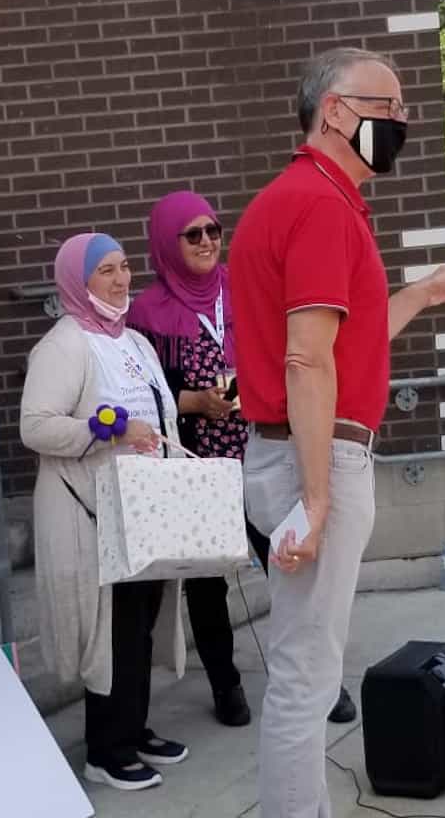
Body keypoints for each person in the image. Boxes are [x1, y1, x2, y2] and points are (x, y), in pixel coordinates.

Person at [229, 47, 445, 818]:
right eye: (389, 103)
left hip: (306, 453)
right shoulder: (319, 205)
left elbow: (349, 332)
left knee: (309, 669)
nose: (402, 117)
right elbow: (306, 360)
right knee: (303, 679)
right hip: (313, 455)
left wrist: (428, 290)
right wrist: (321, 495)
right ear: (336, 111)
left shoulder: (311, 202)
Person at [129, 191, 358, 728]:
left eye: (213, 230)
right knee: (209, 582)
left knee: (291, 566)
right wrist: (197, 402)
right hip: (199, 465)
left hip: (262, 451)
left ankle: (319, 681)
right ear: (168, 244)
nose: (207, 242)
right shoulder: (148, 312)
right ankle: (226, 686)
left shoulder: (243, 287)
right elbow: (147, 389)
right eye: (193, 235)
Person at [20, 233, 188, 791]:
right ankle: (105, 749)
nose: (120, 280)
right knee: (108, 631)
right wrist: (107, 427)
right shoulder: (63, 346)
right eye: (105, 272)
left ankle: (133, 729)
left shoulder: (134, 343)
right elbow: (36, 426)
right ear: (78, 280)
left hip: (142, 508)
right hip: (90, 510)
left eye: (123, 268)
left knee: (137, 624)